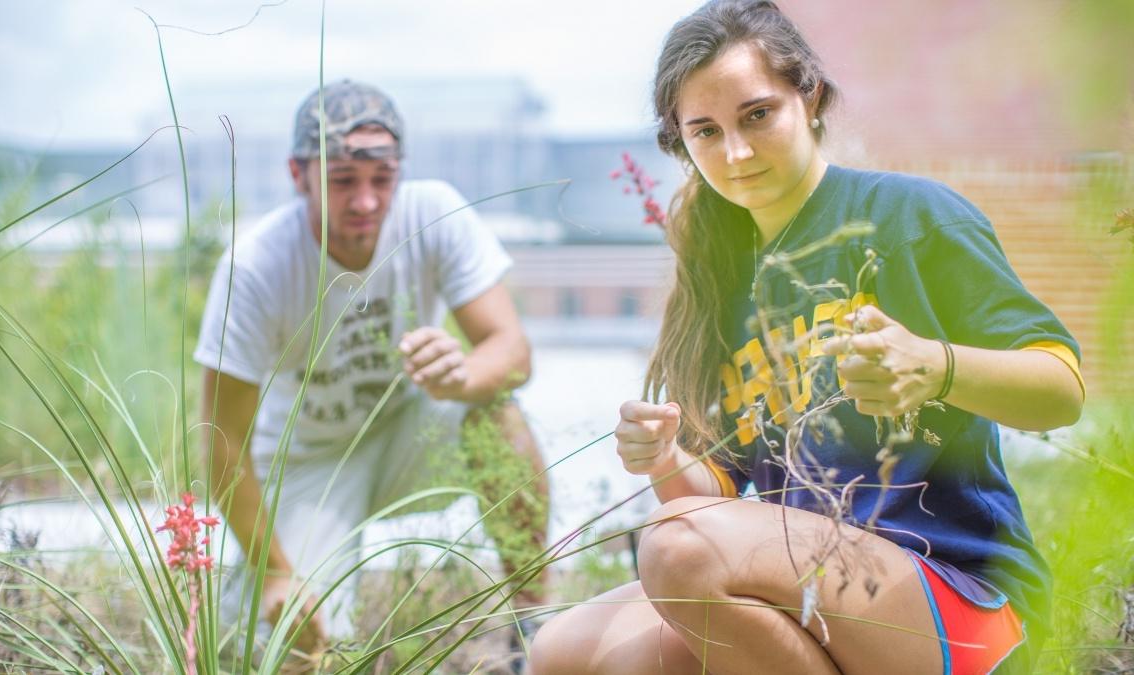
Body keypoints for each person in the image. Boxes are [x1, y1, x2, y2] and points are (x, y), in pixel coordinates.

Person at [530, 2, 1085, 673]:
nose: (735, 152)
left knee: (676, 549)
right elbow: (715, 497)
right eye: (705, 131)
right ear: (681, 140)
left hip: (961, 595)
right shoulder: (719, 284)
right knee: (563, 648)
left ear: (809, 94)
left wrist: (934, 365)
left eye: (757, 115)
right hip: (823, 596)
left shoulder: (907, 216)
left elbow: (1062, 389)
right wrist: (664, 455)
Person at [194, 80, 549, 654]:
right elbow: (220, 440)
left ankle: (534, 625)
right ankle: (280, 593)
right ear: (298, 173)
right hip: (309, 460)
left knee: (497, 416)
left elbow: (511, 351)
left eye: (382, 180)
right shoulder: (256, 266)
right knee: (288, 644)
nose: (365, 201)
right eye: (342, 181)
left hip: (406, 433)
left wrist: (461, 376)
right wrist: (275, 572)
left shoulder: (434, 212)